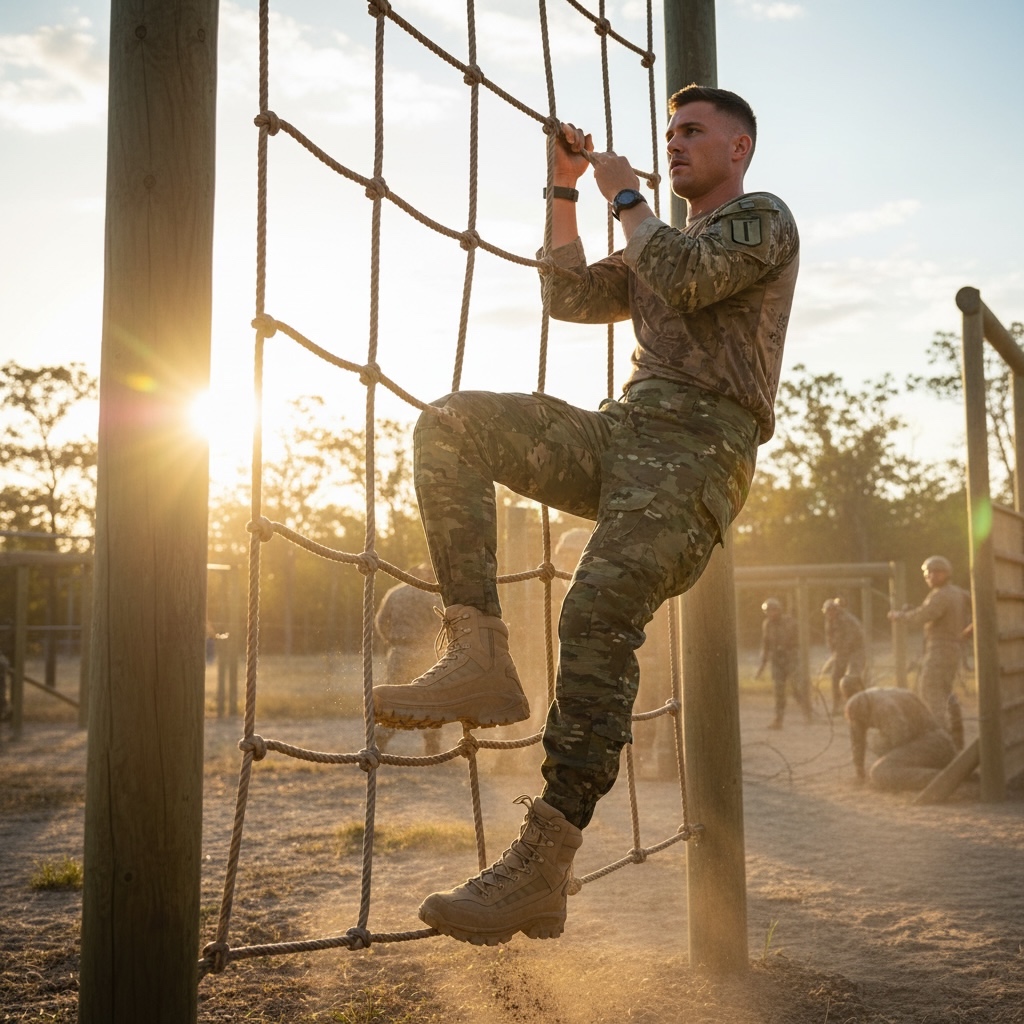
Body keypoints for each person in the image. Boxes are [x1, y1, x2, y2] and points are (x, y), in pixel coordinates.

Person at [372, 84, 799, 945]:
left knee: (595, 607)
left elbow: (685, 274)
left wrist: (625, 198)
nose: (673, 143)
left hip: (698, 455)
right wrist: (564, 187)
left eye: (693, 132)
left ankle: (543, 864)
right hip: (624, 431)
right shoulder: (657, 234)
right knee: (450, 424)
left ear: (739, 149)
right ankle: (480, 652)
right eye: (669, 132)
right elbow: (569, 299)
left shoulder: (760, 219)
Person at [888, 556, 972, 723]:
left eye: (936, 572)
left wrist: (900, 616)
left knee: (930, 690)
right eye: (928, 574)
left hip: (940, 650)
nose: (931, 577)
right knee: (944, 691)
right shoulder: (959, 592)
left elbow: (924, 615)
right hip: (952, 648)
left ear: (946, 573)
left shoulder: (942, 594)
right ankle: (954, 730)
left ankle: (938, 732)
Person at [841, 676, 960, 792]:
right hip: (939, 744)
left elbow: (900, 739)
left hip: (931, 745)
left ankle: (946, 778)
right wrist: (860, 770)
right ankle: (948, 774)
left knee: (880, 772)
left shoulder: (884, 707)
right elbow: (858, 739)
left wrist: (881, 769)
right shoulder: (876, 697)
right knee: (879, 746)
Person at [374, 566, 446, 756]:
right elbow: (441, 625)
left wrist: (391, 641)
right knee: (429, 699)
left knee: (395, 697)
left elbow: (380, 622)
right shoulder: (431, 596)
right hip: (425, 653)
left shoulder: (394, 594)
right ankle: (432, 745)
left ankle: (380, 739)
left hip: (400, 652)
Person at [754, 598, 809, 729]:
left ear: (778, 610)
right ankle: (778, 720)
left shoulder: (790, 622)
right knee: (779, 690)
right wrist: (762, 665)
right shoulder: (767, 624)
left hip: (790, 660)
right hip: (777, 662)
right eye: (767, 611)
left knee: (797, 688)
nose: (770, 613)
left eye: (772, 610)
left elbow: (799, 641)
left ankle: (807, 713)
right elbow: (766, 644)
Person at [822, 597, 867, 716]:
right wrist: (834, 652)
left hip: (855, 651)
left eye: (832, 611)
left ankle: (858, 705)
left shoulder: (846, 620)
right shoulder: (830, 621)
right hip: (842, 652)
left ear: (836, 610)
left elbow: (850, 639)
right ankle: (838, 706)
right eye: (827, 612)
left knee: (851, 678)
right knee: (836, 676)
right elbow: (830, 639)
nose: (830, 614)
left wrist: (840, 652)